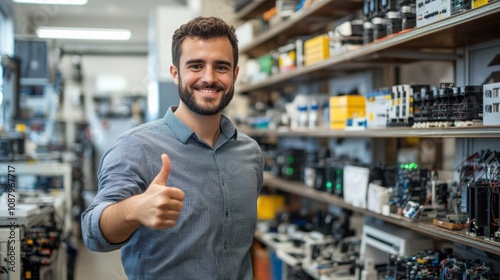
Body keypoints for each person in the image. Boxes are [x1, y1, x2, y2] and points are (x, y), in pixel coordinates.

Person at [81, 16, 264, 279]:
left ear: (235, 74)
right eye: (196, 66)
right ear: (175, 73)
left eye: (221, 67)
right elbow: (92, 233)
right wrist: (134, 209)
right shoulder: (136, 147)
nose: (209, 78)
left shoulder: (250, 153)